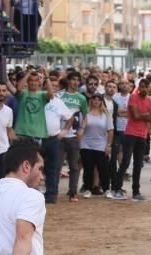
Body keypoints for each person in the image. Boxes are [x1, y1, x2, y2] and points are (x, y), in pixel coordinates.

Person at [112, 78, 151, 202]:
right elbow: (135, 115)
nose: (143, 89)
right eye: (141, 86)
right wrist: (145, 115)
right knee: (126, 162)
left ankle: (136, 192)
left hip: (142, 135)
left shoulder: (150, 100)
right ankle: (116, 188)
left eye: (146, 87)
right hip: (130, 134)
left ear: (149, 88)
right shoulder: (133, 97)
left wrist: (143, 115)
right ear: (138, 87)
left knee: (138, 165)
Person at [42, 90, 76, 204]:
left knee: (52, 168)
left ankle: (51, 194)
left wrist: (65, 130)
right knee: (35, 167)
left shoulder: (58, 102)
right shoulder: (38, 99)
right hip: (37, 138)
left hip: (53, 138)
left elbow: (70, 117)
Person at [57, 71, 87, 201]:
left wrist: (82, 129)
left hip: (73, 136)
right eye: (73, 79)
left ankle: (73, 192)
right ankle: (53, 191)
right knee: (57, 165)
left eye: (77, 80)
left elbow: (85, 117)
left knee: (74, 166)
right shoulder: (59, 95)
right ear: (68, 81)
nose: (75, 82)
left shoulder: (81, 98)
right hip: (59, 135)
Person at [79, 93, 114, 199]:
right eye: (94, 99)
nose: (96, 101)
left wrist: (109, 145)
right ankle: (88, 189)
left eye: (99, 99)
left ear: (101, 102)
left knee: (103, 168)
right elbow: (81, 129)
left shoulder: (106, 115)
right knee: (88, 168)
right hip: (86, 144)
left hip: (101, 145)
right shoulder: (86, 114)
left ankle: (106, 189)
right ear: (91, 101)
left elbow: (110, 131)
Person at [14, 69, 54, 144]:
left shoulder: (42, 95)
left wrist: (47, 76)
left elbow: (51, 94)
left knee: (34, 155)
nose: (33, 82)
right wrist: (28, 73)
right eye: (31, 80)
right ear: (27, 82)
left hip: (37, 134)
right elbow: (19, 88)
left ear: (39, 82)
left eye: (36, 80)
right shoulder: (23, 94)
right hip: (22, 133)